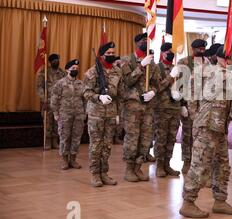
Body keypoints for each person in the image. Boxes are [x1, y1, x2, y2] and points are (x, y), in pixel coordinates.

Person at [179, 46, 232, 218]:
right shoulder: (214, 72)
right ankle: (188, 202)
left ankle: (220, 200)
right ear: (224, 59)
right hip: (207, 126)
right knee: (200, 164)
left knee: (222, 166)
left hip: (219, 127)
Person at [83, 42, 123, 187]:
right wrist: (98, 97)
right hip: (96, 114)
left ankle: (104, 173)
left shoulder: (118, 72)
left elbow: (120, 93)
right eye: (108, 54)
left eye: (113, 53)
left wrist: (118, 113)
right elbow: (86, 92)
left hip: (111, 114)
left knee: (107, 146)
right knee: (96, 145)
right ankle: (95, 174)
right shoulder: (92, 72)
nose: (111, 56)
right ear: (101, 55)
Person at [120, 33, 159, 182]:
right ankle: (129, 169)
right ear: (136, 43)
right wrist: (140, 66)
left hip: (148, 107)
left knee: (146, 138)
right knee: (132, 138)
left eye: (147, 41)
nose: (145, 43)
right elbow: (127, 81)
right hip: (132, 107)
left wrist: (153, 92)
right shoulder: (127, 60)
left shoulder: (152, 63)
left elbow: (156, 83)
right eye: (143, 41)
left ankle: (138, 167)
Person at [176, 39, 210, 174]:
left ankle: (200, 162)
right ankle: (187, 161)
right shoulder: (183, 62)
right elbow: (179, 84)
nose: (201, 51)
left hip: (204, 105)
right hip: (188, 105)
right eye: (199, 49)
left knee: (202, 135)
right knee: (187, 134)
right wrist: (181, 104)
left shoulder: (208, 63)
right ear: (192, 49)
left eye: (203, 49)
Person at [51, 59, 85, 170]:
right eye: (73, 68)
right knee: (65, 137)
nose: (75, 70)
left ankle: (73, 160)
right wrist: (56, 114)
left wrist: (85, 113)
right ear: (67, 70)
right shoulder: (60, 83)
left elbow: (85, 100)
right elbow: (54, 100)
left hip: (79, 115)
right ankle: (65, 160)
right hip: (64, 115)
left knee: (76, 137)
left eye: (76, 69)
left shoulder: (81, 83)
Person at [154, 42, 181, 177]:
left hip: (175, 108)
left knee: (172, 138)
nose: (171, 54)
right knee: (161, 138)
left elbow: (181, 87)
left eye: (172, 52)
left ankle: (167, 164)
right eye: (168, 52)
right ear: (163, 53)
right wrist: (171, 76)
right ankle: (159, 166)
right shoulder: (157, 68)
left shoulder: (176, 68)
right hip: (162, 108)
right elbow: (157, 88)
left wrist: (182, 104)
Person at [36, 53, 65, 149]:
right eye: (54, 60)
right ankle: (47, 141)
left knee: (57, 123)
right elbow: (39, 87)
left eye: (57, 60)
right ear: (50, 62)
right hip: (47, 101)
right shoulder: (44, 72)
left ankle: (55, 140)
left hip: (59, 103)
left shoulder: (62, 73)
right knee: (48, 122)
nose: (56, 62)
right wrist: (43, 99)